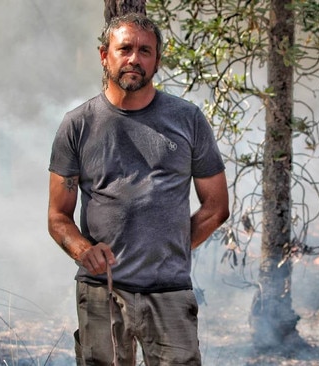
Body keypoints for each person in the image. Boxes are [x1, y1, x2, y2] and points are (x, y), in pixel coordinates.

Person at [47, 13, 229, 366]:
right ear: (105, 56)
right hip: (102, 290)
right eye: (125, 48)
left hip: (169, 291)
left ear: (158, 60)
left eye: (145, 51)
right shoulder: (78, 125)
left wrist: (169, 245)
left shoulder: (187, 119)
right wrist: (83, 250)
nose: (135, 58)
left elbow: (216, 207)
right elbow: (57, 217)